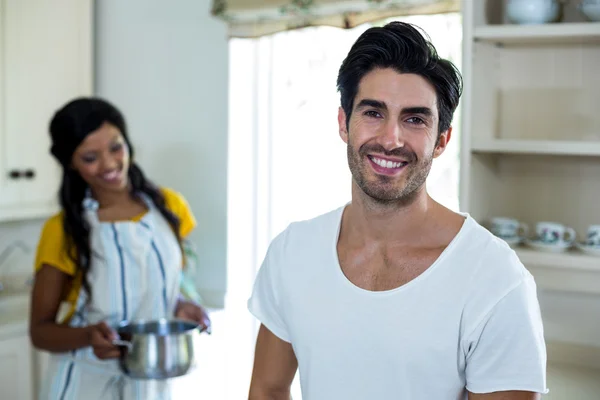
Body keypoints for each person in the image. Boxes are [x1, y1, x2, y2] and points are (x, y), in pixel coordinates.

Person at [247, 22, 547, 400]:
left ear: (441, 141)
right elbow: (267, 388)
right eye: (373, 113)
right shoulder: (292, 253)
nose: (391, 139)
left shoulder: (495, 279)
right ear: (344, 122)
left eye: (415, 119)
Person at [29, 97, 211, 399]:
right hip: (84, 384)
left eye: (116, 147)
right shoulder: (63, 230)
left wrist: (178, 305)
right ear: (70, 163)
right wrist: (88, 336)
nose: (111, 164)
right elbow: (40, 331)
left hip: (150, 382)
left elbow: (151, 285)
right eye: (90, 157)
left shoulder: (170, 208)